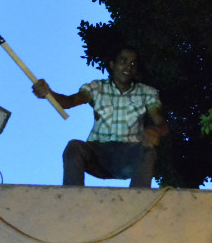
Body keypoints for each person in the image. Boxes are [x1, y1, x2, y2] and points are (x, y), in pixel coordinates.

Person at [32, 46, 168, 187]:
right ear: (112, 65)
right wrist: (48, 93)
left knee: (147, 151)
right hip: (98, 154)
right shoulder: (97, 88)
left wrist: (155, 131)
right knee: (73, 147)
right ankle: (71, 199)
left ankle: (139, 200)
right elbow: (68, 102)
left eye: (133, 64)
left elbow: (161, 122)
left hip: (128, 157)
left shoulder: (147, 93)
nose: (128, 67)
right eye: (123, 61)